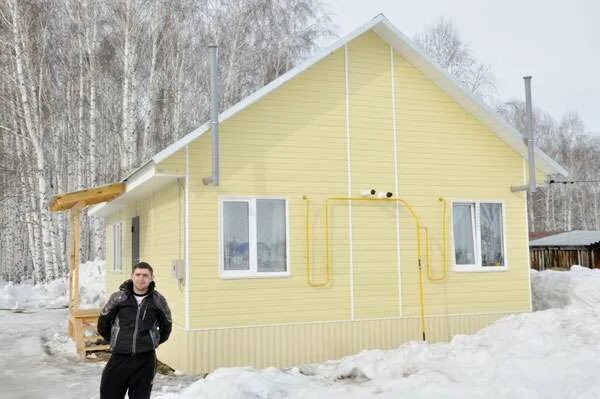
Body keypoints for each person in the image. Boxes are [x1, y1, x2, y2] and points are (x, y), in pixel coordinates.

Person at [97, 261, 172, 399]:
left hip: (145, 360)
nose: (141, 278)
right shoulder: (118, 298)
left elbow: (166, 326)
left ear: (151, 278)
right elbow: (103, 323)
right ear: (132, 276)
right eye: (137, 274)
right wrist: (116, 339)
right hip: (119, 357)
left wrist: (151, 341)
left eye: (145, 275)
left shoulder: (158, 301)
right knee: (108, 394)